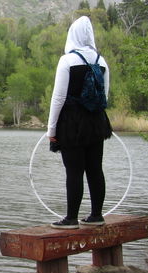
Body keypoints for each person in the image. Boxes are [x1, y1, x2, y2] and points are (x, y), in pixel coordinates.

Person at [46, 16, 112, 229]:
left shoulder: (67, 60)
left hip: (72, 123)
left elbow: (58, 98)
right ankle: (96, 215)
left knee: (73, 171)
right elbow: (105, 96)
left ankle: (71, 219)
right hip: (96, 122)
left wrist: (51, 130)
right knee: (95, 169)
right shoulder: (101, 61)